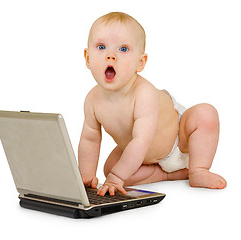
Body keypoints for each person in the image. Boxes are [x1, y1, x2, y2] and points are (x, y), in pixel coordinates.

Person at [78, 12, 226, 196]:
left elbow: (141, 141)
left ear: (140, 63)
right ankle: (164, 175)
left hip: (181, 141)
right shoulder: (92, 100)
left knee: (205, 114)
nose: (111, 56)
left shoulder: (143, 93)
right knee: (110, 168)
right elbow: (90, 139)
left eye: (123, 49)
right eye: (101, 46)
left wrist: (117, 177)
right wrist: (86, 174)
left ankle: (198, 170)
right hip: (145, 158)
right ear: (87, 58)